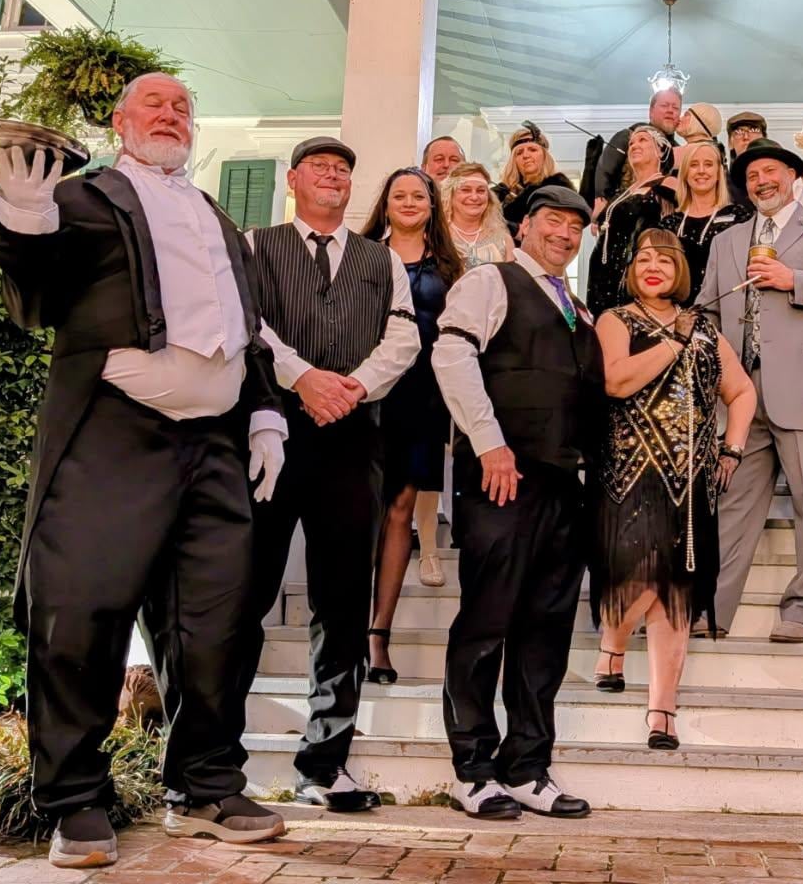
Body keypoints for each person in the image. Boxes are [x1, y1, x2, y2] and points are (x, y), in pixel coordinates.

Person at [0, 72, 287, 867]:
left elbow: (245, 328)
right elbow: (34, 303)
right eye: (153, 103)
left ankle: (205, 785)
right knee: (81, 613)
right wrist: (24, 217)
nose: (171, 114)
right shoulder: (84, 198)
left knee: (218, 621)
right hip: (115, 434)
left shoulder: (220, 217)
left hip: (217, 443)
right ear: (120, 121)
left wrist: (263, 412)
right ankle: (75, 801)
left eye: (183, 105)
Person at [238, 136, 422, 813]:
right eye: (319, 166)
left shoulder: (382, 260)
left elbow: (404, 337)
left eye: (344, 169)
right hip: (270, 428)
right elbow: (248, 322)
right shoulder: (257, 246)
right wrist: (303, 378)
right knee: (246, 588)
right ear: (292, 180)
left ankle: (326, 762)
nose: (332, 176)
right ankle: (218, 755)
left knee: (341, 600)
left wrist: (351, 386)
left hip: (352, 435)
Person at [432, 185, 605, 820]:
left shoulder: (579, 309)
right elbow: (451, 354)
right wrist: (488, 443)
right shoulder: (490, 282)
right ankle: (472, 770)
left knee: (545, 632)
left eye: (575, 227)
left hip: (565, 489)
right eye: (553, 223)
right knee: (487, 622)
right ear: (525, 226)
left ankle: (528, 766)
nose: (564, 234)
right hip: (503, 477)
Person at [695, 138, 803, 641]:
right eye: (752, 176)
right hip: (740, 398)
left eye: (770, 171)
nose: (761, 182)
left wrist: (794, 278)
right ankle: (709, 608)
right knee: (728, 506)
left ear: (794, 175)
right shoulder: (726, 241)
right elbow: (709, 311)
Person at [591, 231, 755, 750]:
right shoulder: (615, 320)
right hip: (630, 475)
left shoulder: (705, 328)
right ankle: (614, 645)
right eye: (644, 258)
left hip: (692, 483)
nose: (655, 266)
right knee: (637, 579)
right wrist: (672, 341)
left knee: (676, 593)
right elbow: (616, 382)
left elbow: (742, 389)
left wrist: (732, 448)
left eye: (666, 259)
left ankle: (663, 711)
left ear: (681, 270)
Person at [362, 169, 466, 685]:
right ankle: (345, 626)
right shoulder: (361, 252)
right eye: (398, 194)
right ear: (385, 203)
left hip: (422, 395)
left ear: (432, 205)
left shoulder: (450, 266)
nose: (408, 202)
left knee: (402, 506)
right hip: (363, 394)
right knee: (363, 508)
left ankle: (379, 635)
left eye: (418, 195)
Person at [586, 125, 677, 315]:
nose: (634, 145)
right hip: (603, 273)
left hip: (634, 275)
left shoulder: (667, 184)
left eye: (643, 140)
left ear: (661, 150)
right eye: (631, 143)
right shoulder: (623, 192)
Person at [661, 141, 750, 300]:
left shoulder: (739, 217)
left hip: (725, 307)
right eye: (694, 165)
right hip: (676, 310)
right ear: (685, 172)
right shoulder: (669, 223)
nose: (701, 171)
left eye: (708, 164)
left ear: (719, 172)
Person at [592, 86, 682, 223]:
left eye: (675, 108)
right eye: (664, 105)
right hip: (620, 216)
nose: (670, 111)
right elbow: (605, 172)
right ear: (651, 112)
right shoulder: (627, 136)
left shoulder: (679, 151)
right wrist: (603, 213)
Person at [494, 122, 574, 235]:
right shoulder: (505, 192)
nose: (526, 156)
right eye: (519, 153)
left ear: (544, 156)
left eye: (532, 149)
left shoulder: (557, 187)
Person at [444, 162, 516, 269]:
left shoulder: (504, 240)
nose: (474, 197)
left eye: (481, 191)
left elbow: (512, 282)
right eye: (466, 190)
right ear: (451, 194)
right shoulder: (438, 235)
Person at [724, 111, 767, 208]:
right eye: (739, 132)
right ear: (730, 143)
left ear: (764, 138)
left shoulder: (779, 174)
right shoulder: (721, 182)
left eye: (754, 130)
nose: (746, 137)